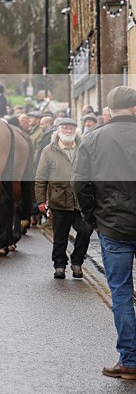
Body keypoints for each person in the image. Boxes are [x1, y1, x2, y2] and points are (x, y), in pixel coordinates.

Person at [72, 86, 136, 380]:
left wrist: (91, 217)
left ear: (108, 112)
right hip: (115, 223)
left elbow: (80, 184)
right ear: (135, 110)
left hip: (113, 225)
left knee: (121, 293)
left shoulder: (93, 139)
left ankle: (130, 361)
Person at [35, 118, 90, 279]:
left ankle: (77, 261)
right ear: (58, 130)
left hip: (81, 202)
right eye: (65, 128)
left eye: (71, 128)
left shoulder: (84, 149)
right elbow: (40, 178)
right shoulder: (49, 150)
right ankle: (59, 265)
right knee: (60, 236)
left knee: (85, 231)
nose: (68, 131)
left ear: (76, 131)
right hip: (59, 200)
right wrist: (40, 201)